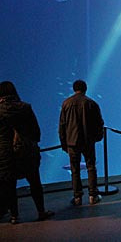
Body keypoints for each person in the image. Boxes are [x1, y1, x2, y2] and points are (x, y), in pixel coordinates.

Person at [0, 81, 54, 224]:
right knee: (35, 182)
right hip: (26, 152)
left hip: (5, 154)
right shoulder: (25, 107)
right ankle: (41, 211)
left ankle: (14, 216)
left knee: (9, 185)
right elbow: (36, 131)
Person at [59, 79, 104, 206]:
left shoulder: (66, 104)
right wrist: (98, 137)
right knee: (91, 167)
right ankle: (93, 196)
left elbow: (62, 125)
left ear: (74, 89)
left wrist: (64, 142)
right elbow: (99, 122)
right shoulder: (91, 103)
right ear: (85, 88)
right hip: (88, 141)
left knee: (75, 170)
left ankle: (77, 197)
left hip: (72, 142)